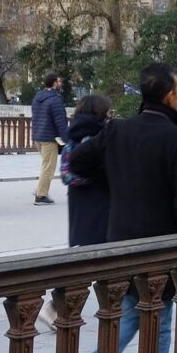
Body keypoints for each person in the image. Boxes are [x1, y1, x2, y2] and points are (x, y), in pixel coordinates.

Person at [70, 63, 177, 353]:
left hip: (121, 240)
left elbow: (78, 162)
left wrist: (115, 181)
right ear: (170, 96)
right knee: (157, 319)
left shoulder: (116, 130)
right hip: (161, 245)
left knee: (132, 311)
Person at [62, 94, 112, 247]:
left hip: (78, 200)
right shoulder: (103, 136)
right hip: (101, 199)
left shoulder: (72, 134)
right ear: (101, 113)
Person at [30, 74, 68, 205]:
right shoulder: (55, 100)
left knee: (45, 165)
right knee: (49, 168)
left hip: (38, 137)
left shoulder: (37, 97)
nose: (61, 83)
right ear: (53, 83)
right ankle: (41, 196)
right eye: (59, 81)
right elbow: (60, 122)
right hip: (49, 138)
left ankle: (40, 189)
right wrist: (66, 138)